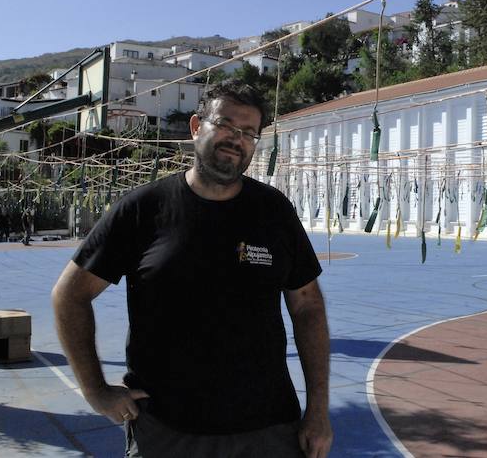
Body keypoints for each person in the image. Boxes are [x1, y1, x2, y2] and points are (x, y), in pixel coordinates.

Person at [52, 80, 332, 458]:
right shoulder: (143, 209)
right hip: (167, 431)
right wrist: (95, 390)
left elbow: (308, 306)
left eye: (249, 132)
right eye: (227, 125)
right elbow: (70, 294)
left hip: (268, 428)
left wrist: (317, 410)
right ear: (197, 126)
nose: (237, 139)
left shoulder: (273, 211)